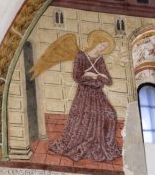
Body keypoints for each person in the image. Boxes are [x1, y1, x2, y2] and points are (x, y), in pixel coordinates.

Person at [49, 30, 123, 163]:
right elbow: (77, 77)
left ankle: (105, 143)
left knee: (110, 114)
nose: (103, 48)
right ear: (95, 43)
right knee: (87, 117)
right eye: (102, 45)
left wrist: (94, 75)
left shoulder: (100, 59)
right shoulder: (81, 56)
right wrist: (94, 77)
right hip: (84, 94)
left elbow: (109, 81)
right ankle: (83, 142)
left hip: (97, 94)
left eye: (105, 47)